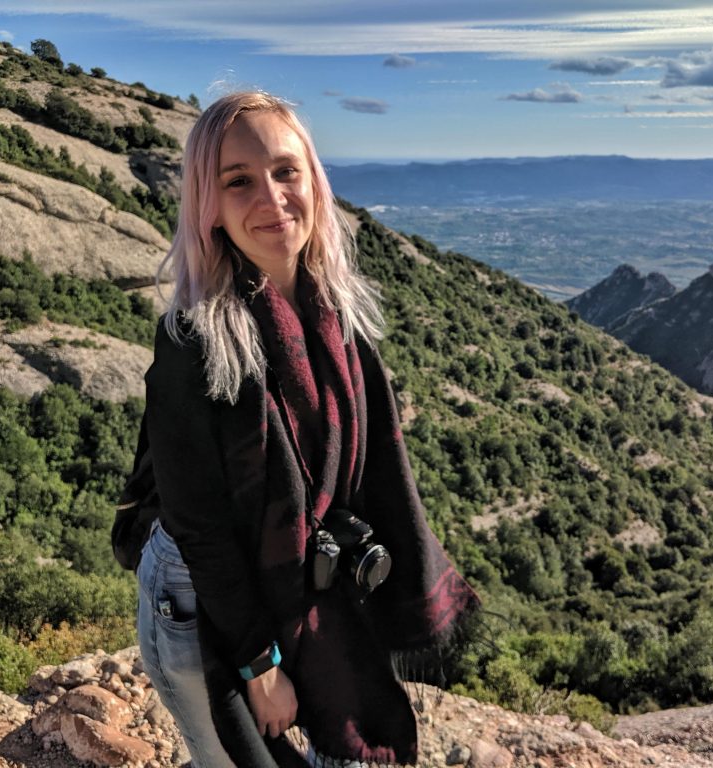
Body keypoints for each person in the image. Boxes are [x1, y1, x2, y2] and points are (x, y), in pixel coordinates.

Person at [135, 91, 480, 767]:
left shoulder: (337, 316)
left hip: (301, 579)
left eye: (285, 172)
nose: (271, 198)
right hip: (201, 599)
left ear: (313, 181)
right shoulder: (194, 342)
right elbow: (201, 528)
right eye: (239, 181)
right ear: (209, 203)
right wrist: (261, 666)